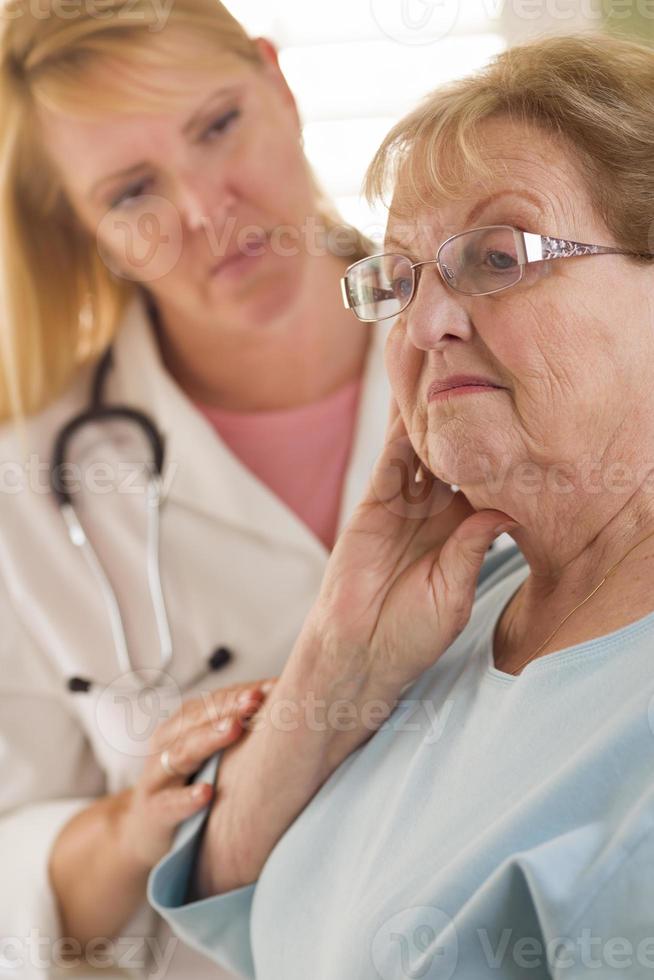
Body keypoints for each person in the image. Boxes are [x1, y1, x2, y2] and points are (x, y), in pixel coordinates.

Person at [149, 31, 654, 979]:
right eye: (401, 276)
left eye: (499, 257)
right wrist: (334, 663)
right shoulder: (457, 601)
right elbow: (236, 914)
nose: (425, 323)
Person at [0, 1, 391, 977]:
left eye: (218, 125)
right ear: (84, 229)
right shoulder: (27, 496)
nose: (210, 212)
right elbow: (22, 885)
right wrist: (133, 826)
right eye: (133, 190)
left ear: (279, 83)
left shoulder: (524, 346)